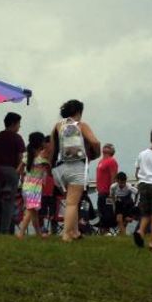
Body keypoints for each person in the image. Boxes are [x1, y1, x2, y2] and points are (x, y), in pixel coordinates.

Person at [51, 99, 101, 242]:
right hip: (76, 166)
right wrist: (95, 154)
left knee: (70, 199)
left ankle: (75, 231)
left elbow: (53, 148)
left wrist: (51, 167)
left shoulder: (58, 126)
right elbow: (95, 142)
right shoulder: (81, 125)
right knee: (72, 203)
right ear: (78, 112)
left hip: (60, 167)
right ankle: (66, 234)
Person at [0, 112, 25, 235]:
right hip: (11, 172)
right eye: (19, 124)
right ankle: (4, 230)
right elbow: (21, 158)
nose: (19, 127)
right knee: (9, 202)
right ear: (13, 124)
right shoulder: (17, 138)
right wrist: (21, 174)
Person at [18, 132, 51, 238]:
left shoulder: (27, 155)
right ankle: (21, 233)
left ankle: (38, 234)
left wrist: (23, 177)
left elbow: (19, 170)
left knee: (33, 212)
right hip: (35, 188)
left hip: (26, 185)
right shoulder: (43, 158)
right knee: (30, 211)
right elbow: (50, 172)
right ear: (41, 143)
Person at [94, 143, 118, 233]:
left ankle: (107, 231)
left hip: (107, 192)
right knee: (101, 211)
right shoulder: (100, 161)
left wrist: (111, 192)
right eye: (105, 146)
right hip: (100, 191)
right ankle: (102, 231)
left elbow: (113, 176)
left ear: (112, 151)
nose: (106, 147)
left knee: (107, 213)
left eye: (109, 147)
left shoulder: (112, 161)